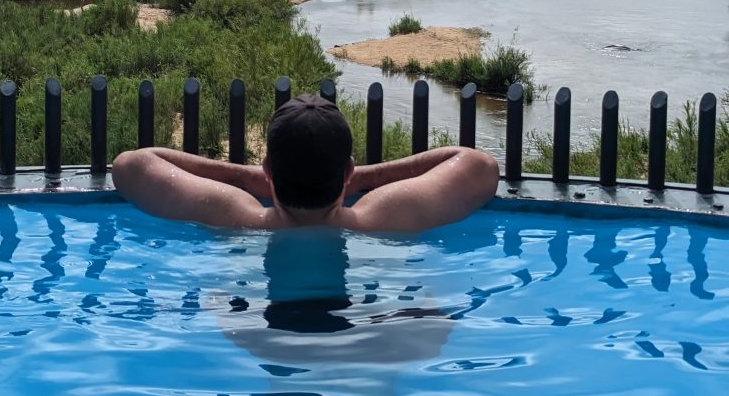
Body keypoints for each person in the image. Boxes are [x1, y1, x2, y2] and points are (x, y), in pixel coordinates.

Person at [112, 93, 499, 232]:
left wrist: (253, 180)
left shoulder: (232, 216)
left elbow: (132, 165)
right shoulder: (387, 217)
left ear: (268, 170)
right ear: (346, 172)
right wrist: (362, 178)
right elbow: (478, 165)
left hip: (262, 344)